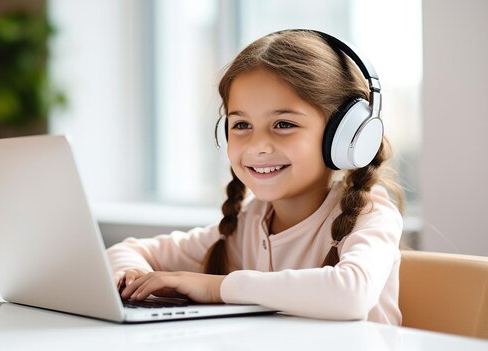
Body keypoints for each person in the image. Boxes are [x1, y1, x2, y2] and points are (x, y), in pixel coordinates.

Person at [106, 29, 404, 325]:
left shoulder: (371, 215)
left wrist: (217, 288)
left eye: (284, 123)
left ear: (344, 135)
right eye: (241, 125)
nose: (257, 146)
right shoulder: (247, 224)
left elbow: (351, 295)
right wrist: (131, 276)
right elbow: (128, 250)